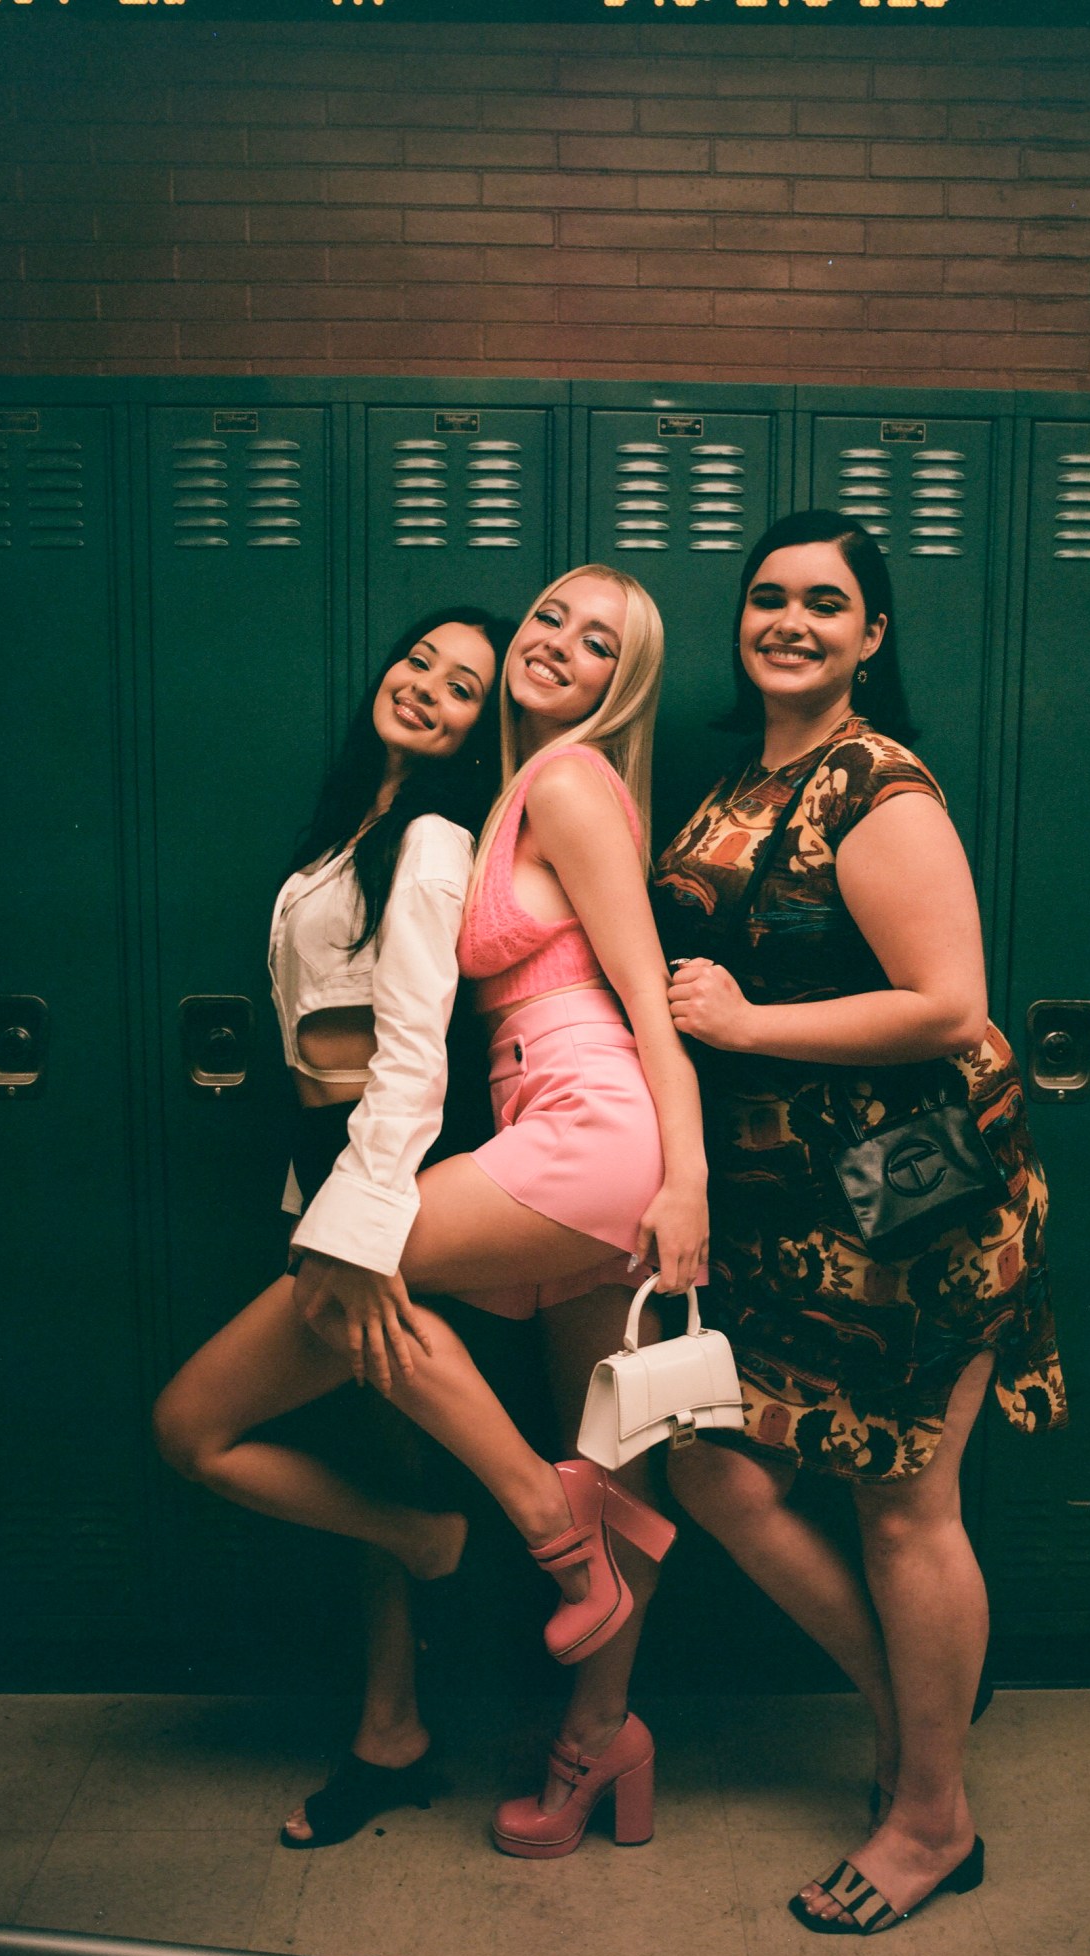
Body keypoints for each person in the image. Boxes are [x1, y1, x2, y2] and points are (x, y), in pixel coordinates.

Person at [159, 571, 707, 1856]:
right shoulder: (513, 790)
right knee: (616, 1455)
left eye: (598, 643)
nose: (558, 647)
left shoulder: (565, 784)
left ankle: (539, 1523)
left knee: (347, 1257)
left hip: (594, 1130)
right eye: (552, 619)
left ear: (619, 684)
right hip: (541, 1131)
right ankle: (599, 1740)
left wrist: (684, 1180)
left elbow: (645, 1003)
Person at [652, 511, 1066, 1935]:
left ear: (870, 636)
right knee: (707, 1464)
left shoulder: (875, 786)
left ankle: (928, 1818)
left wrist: (749, 1022)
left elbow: (948, 1000)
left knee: (904, 1501)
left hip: (914, 1197)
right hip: (784, 1208)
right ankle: (912, 1702)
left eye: (824, 604)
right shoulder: (740, 779)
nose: (788, 622)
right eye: (766, 598)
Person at [155, 605, 510, 1846]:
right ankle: (390, 1730)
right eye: (418, 660)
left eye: (462, 685)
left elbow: (413, 1056)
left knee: (193, 1427)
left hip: (378, 1182)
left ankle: (441, 1539)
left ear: (480, 727)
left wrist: (353, 1228)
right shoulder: (351, 826)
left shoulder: (427, 837)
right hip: (327, 1176)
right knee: (378, 1452)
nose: (425, 686)